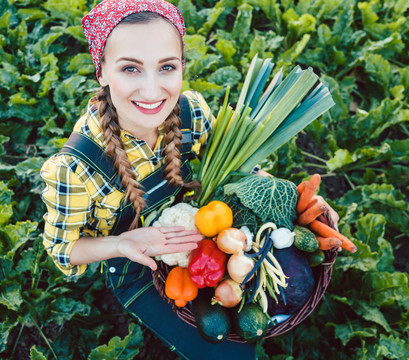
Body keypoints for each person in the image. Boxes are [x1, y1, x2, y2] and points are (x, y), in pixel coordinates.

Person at [40, 0, 338, 358]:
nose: (152, 92)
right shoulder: (76, 168)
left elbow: (235, 170)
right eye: (130, 69)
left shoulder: (191, 112)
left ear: (182, 65)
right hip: (138, 265)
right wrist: (121, 244)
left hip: (207, 233)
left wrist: (293, 201)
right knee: (228, 353)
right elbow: (63, 250)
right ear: (100, 70)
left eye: (166, 66)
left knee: (256, 314)